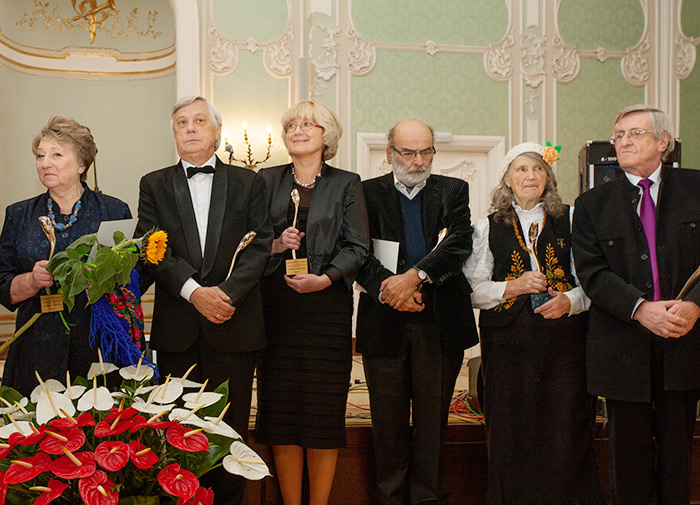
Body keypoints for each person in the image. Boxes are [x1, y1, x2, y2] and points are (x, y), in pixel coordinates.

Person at [135, 96, 273, 505]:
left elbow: (260, 245)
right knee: (179, 433)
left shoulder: (250, 182)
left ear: (216, 130)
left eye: (199, 120)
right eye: (181, 122)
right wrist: (195, 293)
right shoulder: (154, 184)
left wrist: (224, 295)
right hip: (178, 331)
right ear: (174, 132)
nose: (190, 127)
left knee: (229, 437)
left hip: (234, 324)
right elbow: (150, 249)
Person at [463, 142, 604, 504]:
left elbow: (594, 282)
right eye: (522, 169)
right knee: (512, 435)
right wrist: (512, 286)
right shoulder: (485, 228)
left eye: (538, 169)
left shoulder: (572, 219)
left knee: (565, 431)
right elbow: (473, 293)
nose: (531, 176)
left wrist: (569, 301)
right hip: (508, 349)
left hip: (565, 348)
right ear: (507, 179)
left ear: (548, 178)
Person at [573, 104, 700, 505]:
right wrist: (641, 308)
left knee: (678, 461)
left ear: (664, 142)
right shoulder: (593, 204)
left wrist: (696, 305)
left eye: (635, 133)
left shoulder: (696, 189)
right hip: (622, 350)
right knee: (628, 466)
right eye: (619, 135)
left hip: (684, 344)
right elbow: (592, 274)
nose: (624, 142)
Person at [354, 118, 478, 505]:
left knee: (432, 426)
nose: (418, 160)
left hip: (439, 325)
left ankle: (428, 499)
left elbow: (458, 244)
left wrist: (415, 277)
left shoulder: (453, 190)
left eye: (426, 151)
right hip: (384, 321)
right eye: (408, 152)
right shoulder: (363, 193)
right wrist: (391, 292)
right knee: (387, 427)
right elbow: (357, 251)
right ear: (390, 154)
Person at [254, 100, 369, 505]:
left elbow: (358, 247)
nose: (297, 130)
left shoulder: (346, 183)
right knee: (282, 413)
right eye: (291, 125)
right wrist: (273, 245)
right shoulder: (264, 181)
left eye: (308, 123)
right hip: (275, 308)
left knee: (321, 414)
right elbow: (245, 243)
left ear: (326, 136)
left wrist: (325, 278)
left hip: (326, 310)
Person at [0, 115, 131, 397]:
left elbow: (133, 277)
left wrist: (101, 279)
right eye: (40, 155)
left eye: (56, 154)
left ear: (82, 163)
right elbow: (3, 284)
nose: (45, 162)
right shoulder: (18, 215)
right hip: (36, 348)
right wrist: (32, 280)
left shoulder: (114, 211)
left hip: (97, 345)